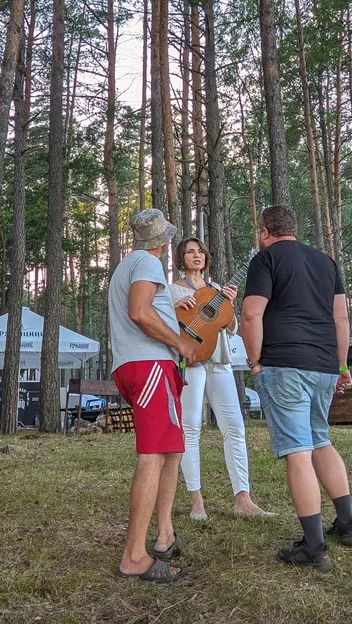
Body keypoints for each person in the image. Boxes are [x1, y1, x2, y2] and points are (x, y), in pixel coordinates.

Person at [241, 205, 352, 574]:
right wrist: (340, 365)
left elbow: (251, 314)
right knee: (320, 440)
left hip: (285, 363)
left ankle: (313, 546)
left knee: (298, 451)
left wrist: (254, 361)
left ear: (265, 231)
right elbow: (340, 318)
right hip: (324, 364)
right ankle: (348, 523)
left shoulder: (265, 259)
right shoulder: (326, 262)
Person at [108, 209, 197, 583]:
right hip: (148, 366)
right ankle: (133, 556)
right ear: (164, 241)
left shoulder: (129, 263)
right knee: (152, 455)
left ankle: (164, 535)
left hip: (149, 366)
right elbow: (141, 313)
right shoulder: (146, 261)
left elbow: (148, 311)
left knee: (171, 449)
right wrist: (179, 342)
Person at [169, 237, 273, 520]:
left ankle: (243, 498)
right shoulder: (172, 290)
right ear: (181, 259)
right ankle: (196, 501)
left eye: (200, 251)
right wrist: (180, 304)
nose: (196, 256)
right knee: (190, 429)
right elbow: (168, 324)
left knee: (235, 427)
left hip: (220, 362)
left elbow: (229, 327)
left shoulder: (215, 289)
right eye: (190, 252)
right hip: (191, 362)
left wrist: (228, 304)